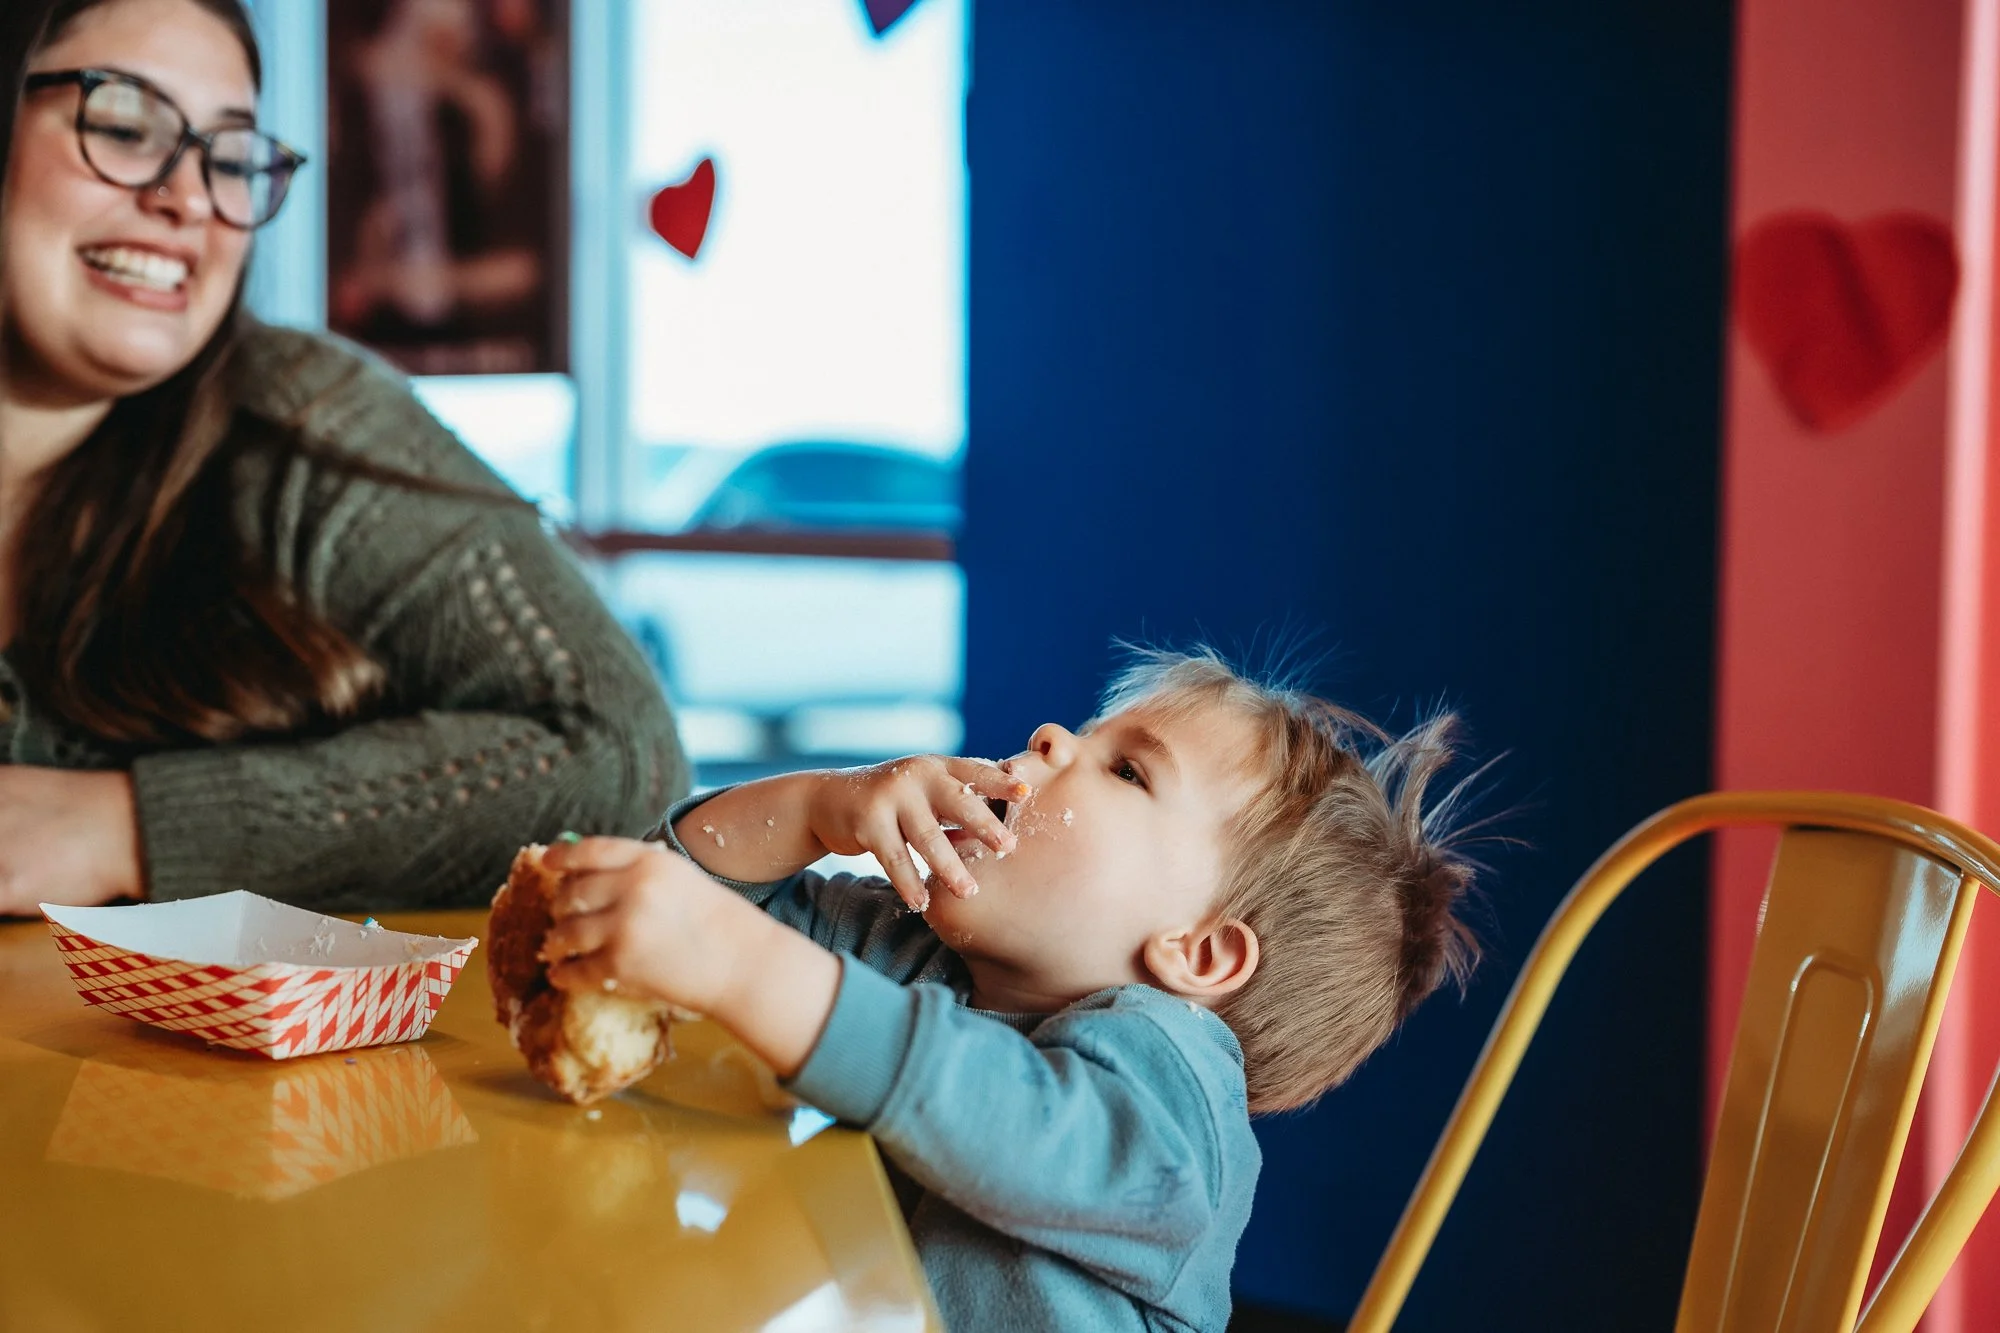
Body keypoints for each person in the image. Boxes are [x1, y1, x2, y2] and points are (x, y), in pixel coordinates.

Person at [536, 648, 1483, 1332]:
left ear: (1197, 954)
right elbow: (675, 903)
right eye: (1089, 733)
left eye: (1126, 769)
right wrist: (818, 807)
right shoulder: (923, 959)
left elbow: (1018, 1117)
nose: (1051, 735)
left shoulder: (1176, 1094)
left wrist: (747, 966)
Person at [0, 0, 686, 914]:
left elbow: (618, 752)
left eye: (229, 160)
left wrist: (125, 827)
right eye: (124, 128)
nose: (189, 200)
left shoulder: (298, 421)